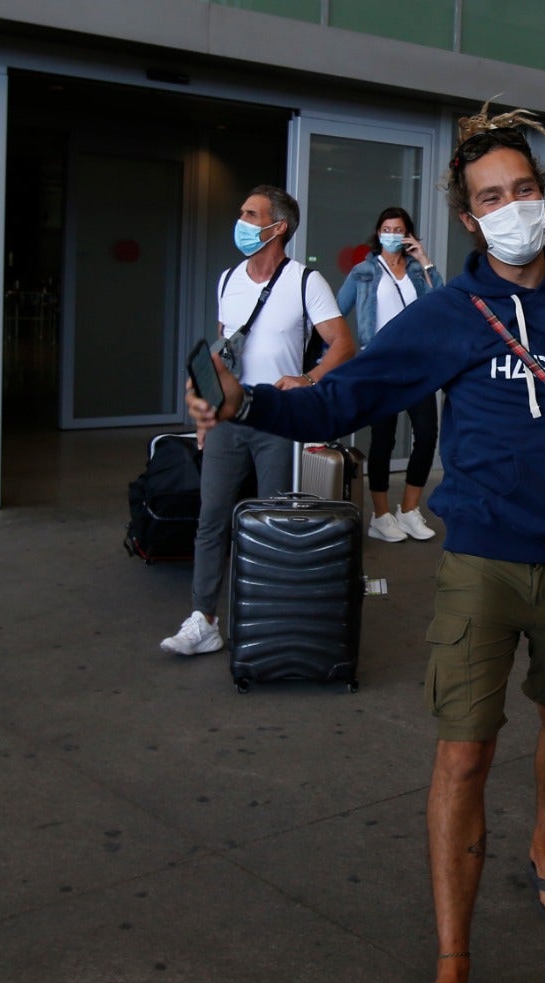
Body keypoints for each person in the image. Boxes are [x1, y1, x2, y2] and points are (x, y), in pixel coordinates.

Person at [185, 104, 545, 983]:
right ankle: (453, 961)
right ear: (469, 220)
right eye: (491, 197)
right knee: (463, 752)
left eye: (524, 188)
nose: (513, 206)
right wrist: (250, 402)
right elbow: (355, 392)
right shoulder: (449, 314)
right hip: (478, 556)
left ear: (543, 197)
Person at [160, 184, 354, 657]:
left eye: (251, 214)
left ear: (278, 226)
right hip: (230, 418)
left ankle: (269, 619)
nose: (242, 221)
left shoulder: (306, 282)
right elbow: (224, 349)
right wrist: (206, 416)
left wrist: (308, 378)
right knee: (211, 519)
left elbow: (345, 345)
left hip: (279, 420)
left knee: (273, 521)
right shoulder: (227, 279)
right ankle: (203, 619)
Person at [336, 207, 444, 543]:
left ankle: (409, 510)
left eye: (399, 229)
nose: (392, 234)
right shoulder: (364, 272)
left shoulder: (416, 270)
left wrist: (424, 258)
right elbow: (337, 312)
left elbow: (440, 302)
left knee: (426, 434)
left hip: (416, 364)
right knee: (383, 439)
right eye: (386, 228)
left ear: (408, 234)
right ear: (378, 232)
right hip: (380, 366)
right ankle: (380, 516)